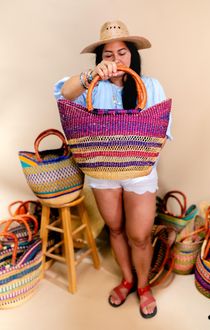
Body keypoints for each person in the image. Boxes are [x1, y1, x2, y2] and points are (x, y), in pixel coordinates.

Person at [54, 20, 172, 319]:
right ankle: (127, 280)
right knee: (116, 229)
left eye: (122, 52)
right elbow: (63, 95)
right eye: (108, 54)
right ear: (100, 59)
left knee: (140, 236)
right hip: (100, 172)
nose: (116, 59)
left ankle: (143, 286)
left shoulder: (151, 86)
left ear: (132, 55)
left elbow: (160, 133)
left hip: (140, 173)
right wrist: (91, 74)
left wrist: (135, 154)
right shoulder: (89, 86)